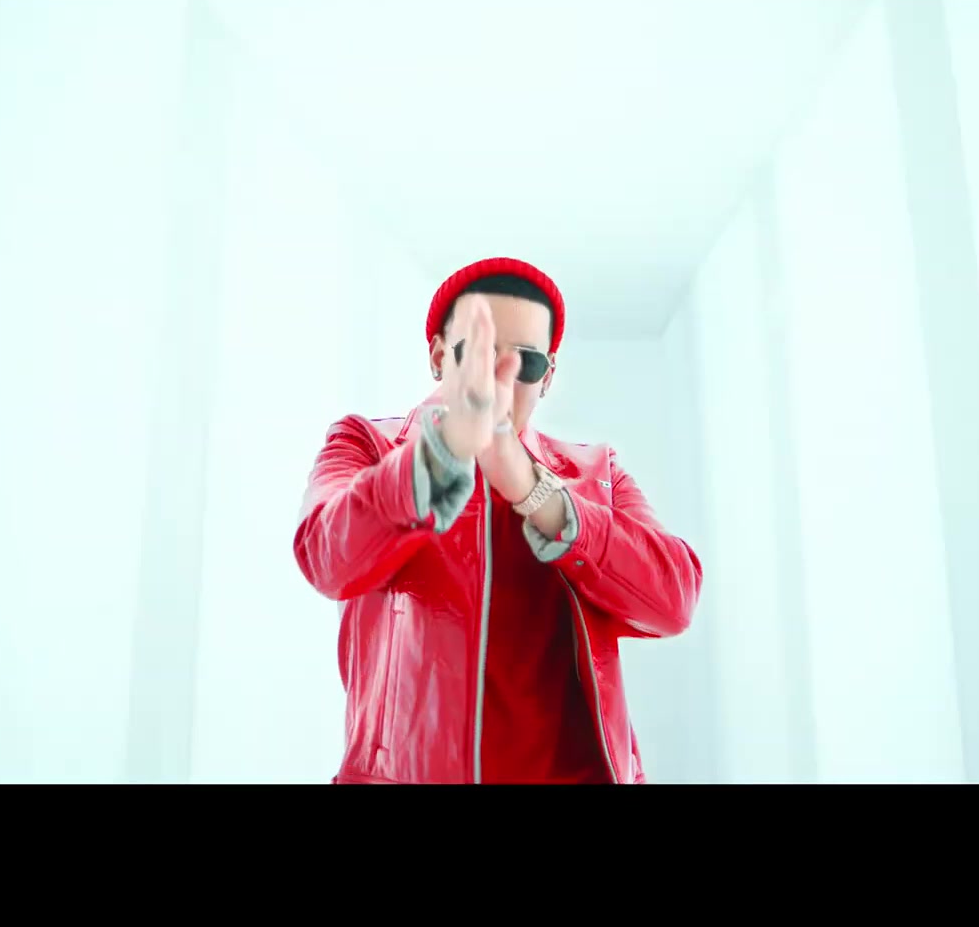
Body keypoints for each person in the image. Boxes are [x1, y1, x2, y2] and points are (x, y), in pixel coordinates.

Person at [292, 256, 703, 784]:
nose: (499, 380)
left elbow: (674, 599)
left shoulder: (599, 473)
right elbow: (327, 558)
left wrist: (537, 493)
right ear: (439, 356)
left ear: (547, 378)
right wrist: (437, 458)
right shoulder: (366, 444)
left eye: (525, 362)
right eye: (479, 354)